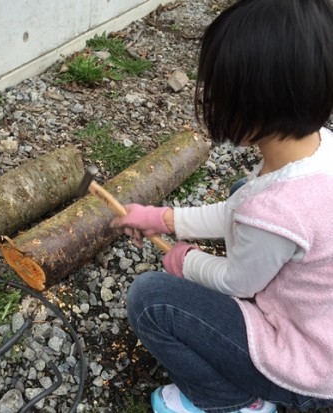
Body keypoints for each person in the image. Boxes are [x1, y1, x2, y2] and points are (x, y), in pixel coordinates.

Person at [110, 1, 333, 412]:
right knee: (239, 191)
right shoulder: (318, 148)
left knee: (150, 298)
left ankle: (233, 401)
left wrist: (186, 260)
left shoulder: (275, 210)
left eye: (220, 91)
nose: (212, 98)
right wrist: (164, 218)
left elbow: (236, 282)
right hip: (321, 325)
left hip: (307, 368)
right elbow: (243, 208)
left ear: (255, 101)